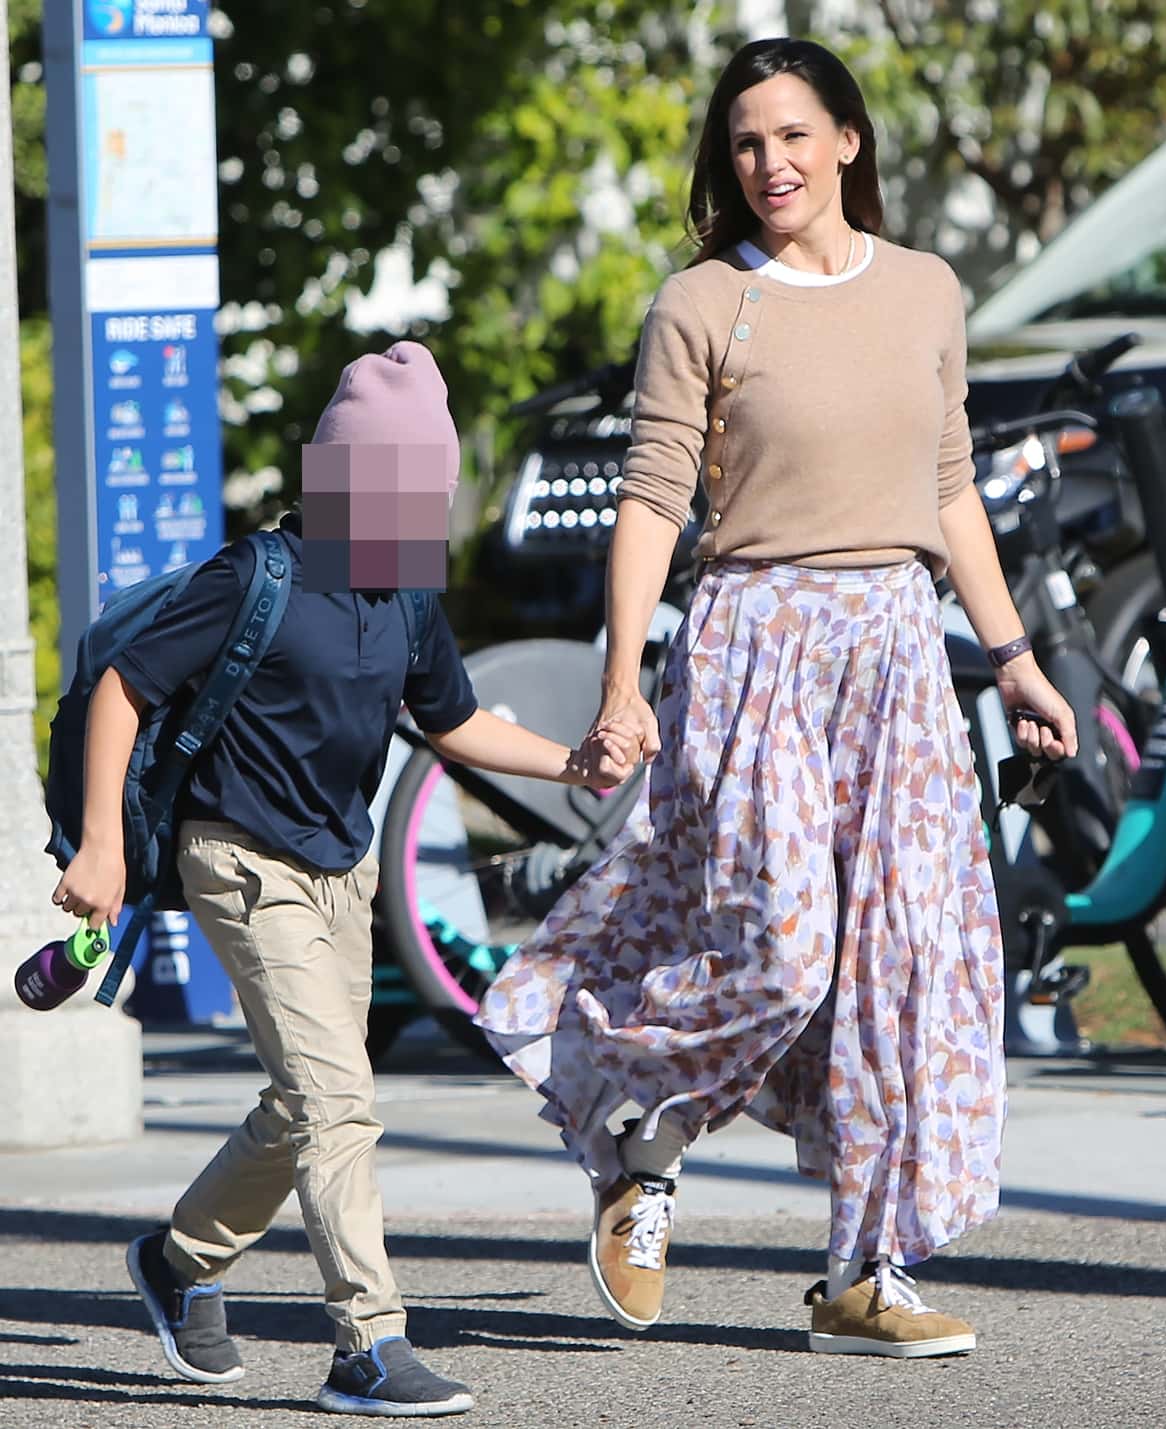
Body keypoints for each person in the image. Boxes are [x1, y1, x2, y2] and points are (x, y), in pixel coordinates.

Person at [477, 37, 1077, 1359]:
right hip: (757, 642)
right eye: (747, 143)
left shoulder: (926, 289)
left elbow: (949, 483)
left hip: (901, 652)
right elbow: (651, 498)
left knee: (895, 969)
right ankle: (643, 1118)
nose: (771, 164)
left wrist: (1016, 653)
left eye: (795, 135)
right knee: (788, 947)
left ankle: (869, 1271)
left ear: (849, 141)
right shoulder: (705, 303)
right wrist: (625, 676)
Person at [52, 342, 638, 1417]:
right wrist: (98, 846)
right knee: (340, 1100)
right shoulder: (256, 579)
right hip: (237, 859)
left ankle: (179, 1263)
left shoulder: (408, 594)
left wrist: (567, 763)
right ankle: (368, 1341)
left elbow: (452, 720)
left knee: (305, 1102)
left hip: (340, 870)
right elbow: (124, 688)